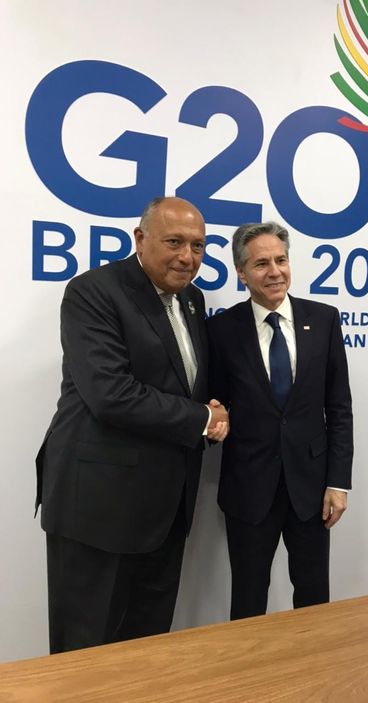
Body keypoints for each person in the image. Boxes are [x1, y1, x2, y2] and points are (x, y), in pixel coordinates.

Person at [35, 196, 228, 653]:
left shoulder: (192, 299)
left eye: (198, 246)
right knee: (84, 653)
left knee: (147, 651)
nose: (187, 257)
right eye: (174, 242)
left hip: (166, 510)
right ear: (140, 239)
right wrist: (202, 418)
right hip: (98, 508)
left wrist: (210, 408)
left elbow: (181, 383)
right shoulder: (93, 291)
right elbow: (111, 395)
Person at [207, 221, 353, 620]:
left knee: (313, 593)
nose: (275, 272)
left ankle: (314, 657)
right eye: (261, 264)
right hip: (248, 487)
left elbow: (339, 407)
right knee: (248, 597)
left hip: (312, 488)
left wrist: (338, 483)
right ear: (241, 273)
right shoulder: (220, 330)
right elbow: (214, 403)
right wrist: (214, 424)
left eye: (281, 260)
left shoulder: (323, 319)